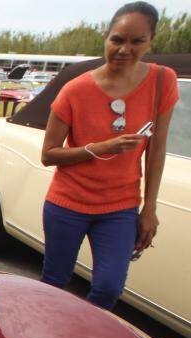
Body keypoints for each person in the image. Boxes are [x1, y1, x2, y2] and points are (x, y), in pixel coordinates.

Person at [39, 1, 178, 310]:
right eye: (117, 39)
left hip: (120, 206)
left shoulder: (161, 81)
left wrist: (149, 208)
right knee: (54, 284)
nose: (124, 49)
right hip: (68, 203)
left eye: (137, 41)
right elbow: (48, 155)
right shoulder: (75, 90)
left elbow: (156, 150)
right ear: (106, 37)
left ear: (150, 41)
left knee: (108, 288)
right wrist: (100, 149)